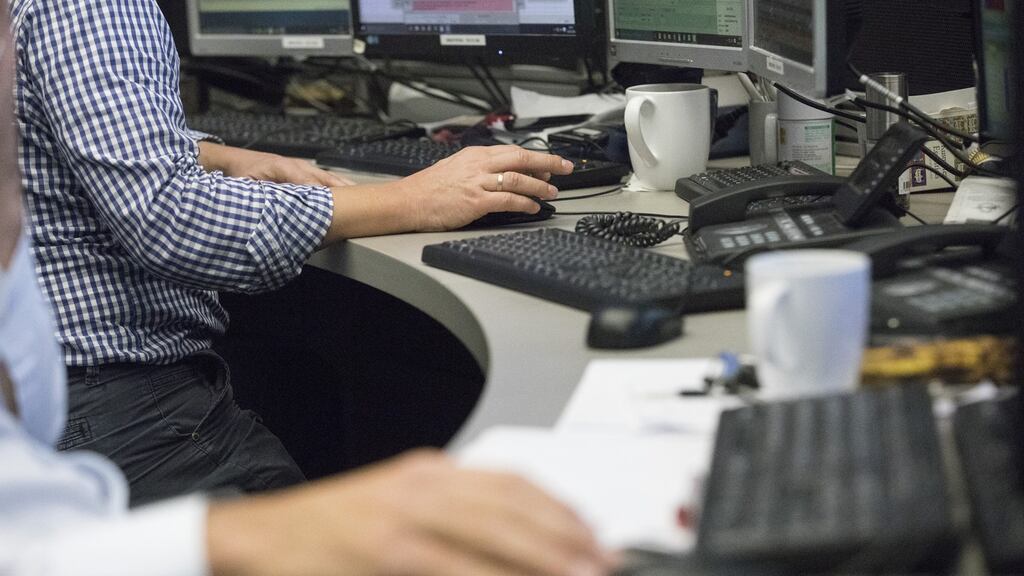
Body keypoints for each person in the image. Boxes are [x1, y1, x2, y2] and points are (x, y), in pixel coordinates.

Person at [0, 10, 618, 575]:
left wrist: (207, 153)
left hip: (70, 406)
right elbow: (169, 218)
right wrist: (411, 199)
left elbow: (45, 123)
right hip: (124, 409)